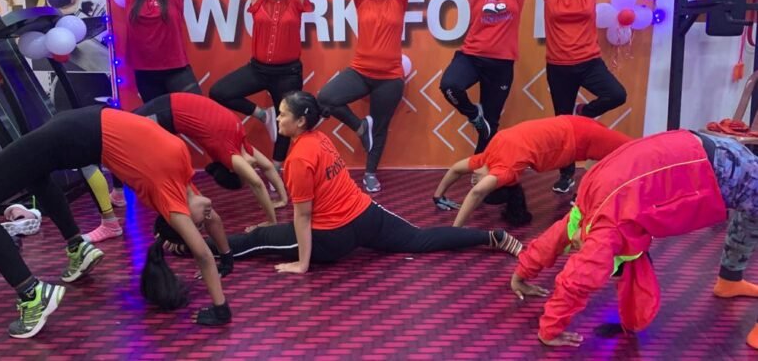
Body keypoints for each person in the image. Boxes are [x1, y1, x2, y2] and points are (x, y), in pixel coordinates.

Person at [161, 91, 523, 272]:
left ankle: (189, 247)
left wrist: (302, 263)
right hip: (365, 214)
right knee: (420, 238)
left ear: (300, 122)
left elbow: (303, 217)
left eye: (283, 115)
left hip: (332, 237)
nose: (279, 119)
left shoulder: (298, 158)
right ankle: (491, 238)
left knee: (256, 242)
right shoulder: (320, 138)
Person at [0, 106, 232, 338]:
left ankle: (33, 294)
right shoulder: (183, 179)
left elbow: (202, 254)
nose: (207, 215)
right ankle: (77, 247)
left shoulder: (168, 198)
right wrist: (226, 259)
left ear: (180, 221)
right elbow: (212, 225)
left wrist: (220, 309)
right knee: (34, 172)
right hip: (79, 128)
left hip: (75, 134)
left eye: (197, 226)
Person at [510, 130, 758, 347]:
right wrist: (520, 275)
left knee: (753, 209)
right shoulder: (586, 202)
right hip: (707, 151)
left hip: (716, 168)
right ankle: (730, 280)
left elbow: (578, 279)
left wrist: (550, 330)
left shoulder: (607, 229)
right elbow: (553, 240)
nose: (576, 247)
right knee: (753, 213)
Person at [113, 0, 202, 206]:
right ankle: (172, 177)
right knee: (159, 129)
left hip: (177, 70)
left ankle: (229, 170)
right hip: (146, 75)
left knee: (200, 118)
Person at [209, 0, 310, 170]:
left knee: (287, 122)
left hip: (288, 73)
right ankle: (262, 115)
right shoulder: (258, 0)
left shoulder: (295, 1)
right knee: (219, 92)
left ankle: (277, 168)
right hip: (257, 69)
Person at [317, 0, 408, 193]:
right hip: (360, 71)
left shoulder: (399, 0)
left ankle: (370, 173)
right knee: (326, 98)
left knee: (380, 126)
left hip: (390, 77)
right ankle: (359, 127)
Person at [542, 0, 627, 194]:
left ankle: (585, 112)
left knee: (616, 94)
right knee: (564, 124)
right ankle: (566, 174)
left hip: (589, 62)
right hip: (559, 67)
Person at [439, 0, 530, 155]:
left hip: (501, 65)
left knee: (491, 123)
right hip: (472, 57)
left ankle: (482, 165)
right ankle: (473, 115)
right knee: (449, 86)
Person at [123, 93, 286, 234]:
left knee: (123, 130)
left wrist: (283, 199)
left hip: (173, 107)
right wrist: (271, 222)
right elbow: (257, 183)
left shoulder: (237, 139)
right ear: (232, 169)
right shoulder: (227, 151)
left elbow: (267, 166)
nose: (248, 172)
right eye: (243, 174)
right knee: (122, 129)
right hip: (166, 111)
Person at [434, 116, 631, 227]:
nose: (473, 181)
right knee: (632, 151)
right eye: (482, 182)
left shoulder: (485, 158)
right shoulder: (506, 171)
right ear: (495, 183)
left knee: (633, 150)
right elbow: (477, 192)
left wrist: (438, 197)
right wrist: (456, 229)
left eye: (475, 180)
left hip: (571, 127)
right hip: (576, 136)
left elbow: (456, 170)